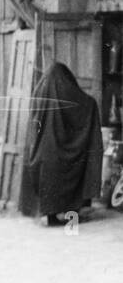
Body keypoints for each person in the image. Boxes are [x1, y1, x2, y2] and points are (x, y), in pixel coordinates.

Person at [19, 61, 103, 225]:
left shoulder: (39, 92)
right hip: (62, 155)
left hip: (43, 152)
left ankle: (50, 217)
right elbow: (85, 104)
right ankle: (71, 215)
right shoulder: (69, 93)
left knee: (49, 182)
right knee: (73, 176)